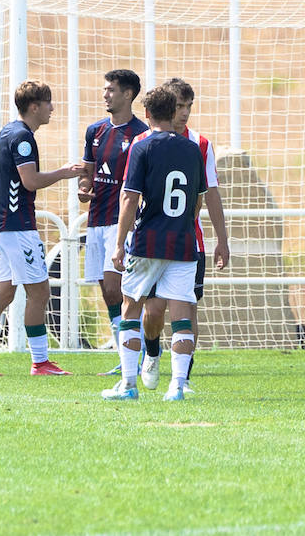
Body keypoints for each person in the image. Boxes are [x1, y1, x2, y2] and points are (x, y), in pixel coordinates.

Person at [0, 81, 87, 376]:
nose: (52, 108)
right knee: (40, 292)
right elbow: (30, 182)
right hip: (17, 227)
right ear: (34, 107)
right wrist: (65, 173)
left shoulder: (9, 131)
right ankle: (40, 362)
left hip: (1, 226)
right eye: (48, 103)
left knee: (3, 293)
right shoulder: (23, 137)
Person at [101, 86, 206, 401]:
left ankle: (129, 384)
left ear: (146, 114)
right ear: (174, 113)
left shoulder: (141, 145)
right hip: (184, 242)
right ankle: (177, 386)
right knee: (182, 314)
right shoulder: (191, 148)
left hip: (148, 241)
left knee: (131, 308)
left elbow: (129, 198)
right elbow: (197, 201)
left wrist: (119, 244)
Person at [136, 79, 231, 391]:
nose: (185, 112)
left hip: (189, 243)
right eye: (179, 106)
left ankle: (182, 378)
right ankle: (151, 352)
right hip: (151, 242)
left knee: (187, 309)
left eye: (189, 106)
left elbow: (211, 192)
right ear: (166, 107)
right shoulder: (144, 142)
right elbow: (132, 195)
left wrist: (222, 238)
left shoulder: (200, 145)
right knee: (152, 312)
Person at [77, 69, 147, 374]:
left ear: (128, 94)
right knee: (108, 291)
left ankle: (138, 352)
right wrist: (84, 189)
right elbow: (88, 174)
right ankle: (128, 353)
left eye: (111, 90)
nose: (105, 94)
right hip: (97, 220)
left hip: (123, 222)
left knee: (119, 288)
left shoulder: (141, 134)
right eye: (105, 89)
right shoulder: (95, 131)